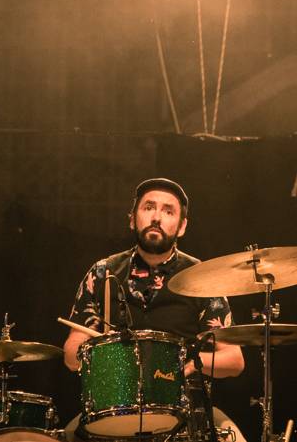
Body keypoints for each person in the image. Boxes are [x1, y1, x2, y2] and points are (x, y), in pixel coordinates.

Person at [62, 178, 245, 439]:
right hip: (114, 409)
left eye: (168, 211)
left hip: (188, 413)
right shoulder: (103, 272)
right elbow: (71, 355)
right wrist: (101, 356)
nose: (157, 217)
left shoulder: (203, 278)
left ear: (181, 227)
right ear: (132, 219)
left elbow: (235, 361)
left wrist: (191, 364)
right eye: (148, 207)